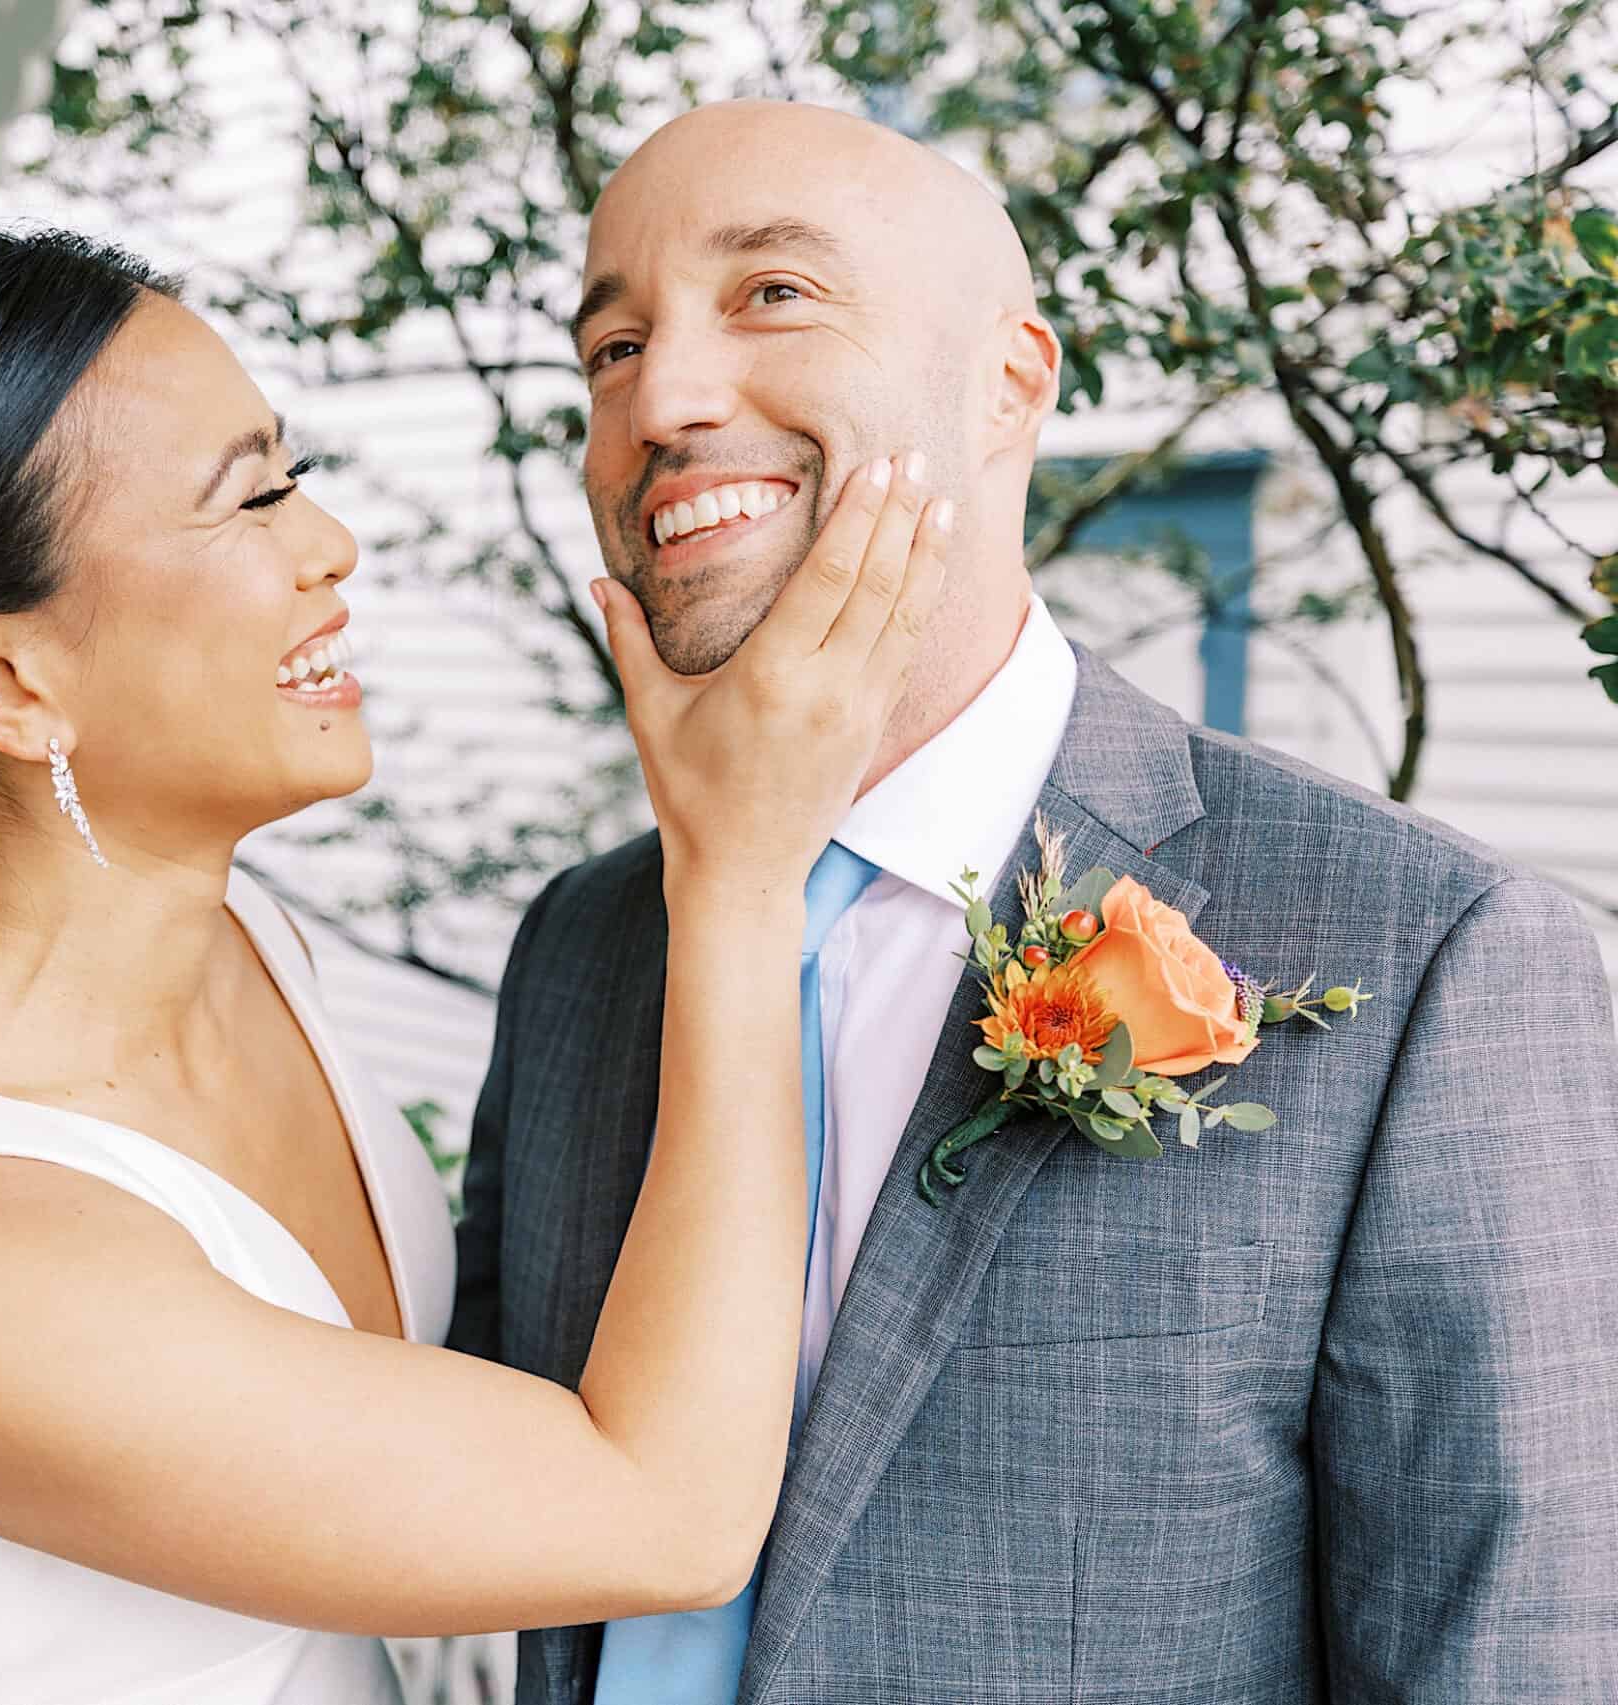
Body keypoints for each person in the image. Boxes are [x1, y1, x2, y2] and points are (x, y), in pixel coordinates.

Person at [0, 223, 949, 1705]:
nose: (330, 545)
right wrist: (741, 873)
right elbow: (661, 1517)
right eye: (253, 499)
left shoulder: (248, 941)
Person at [449, 99, 1618, 1703]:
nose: (663, 397)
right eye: (611, 345)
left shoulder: (1430, 961)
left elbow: (1508, 1658)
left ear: (1011, 383)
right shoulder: (581, 951)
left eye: (771, 295)